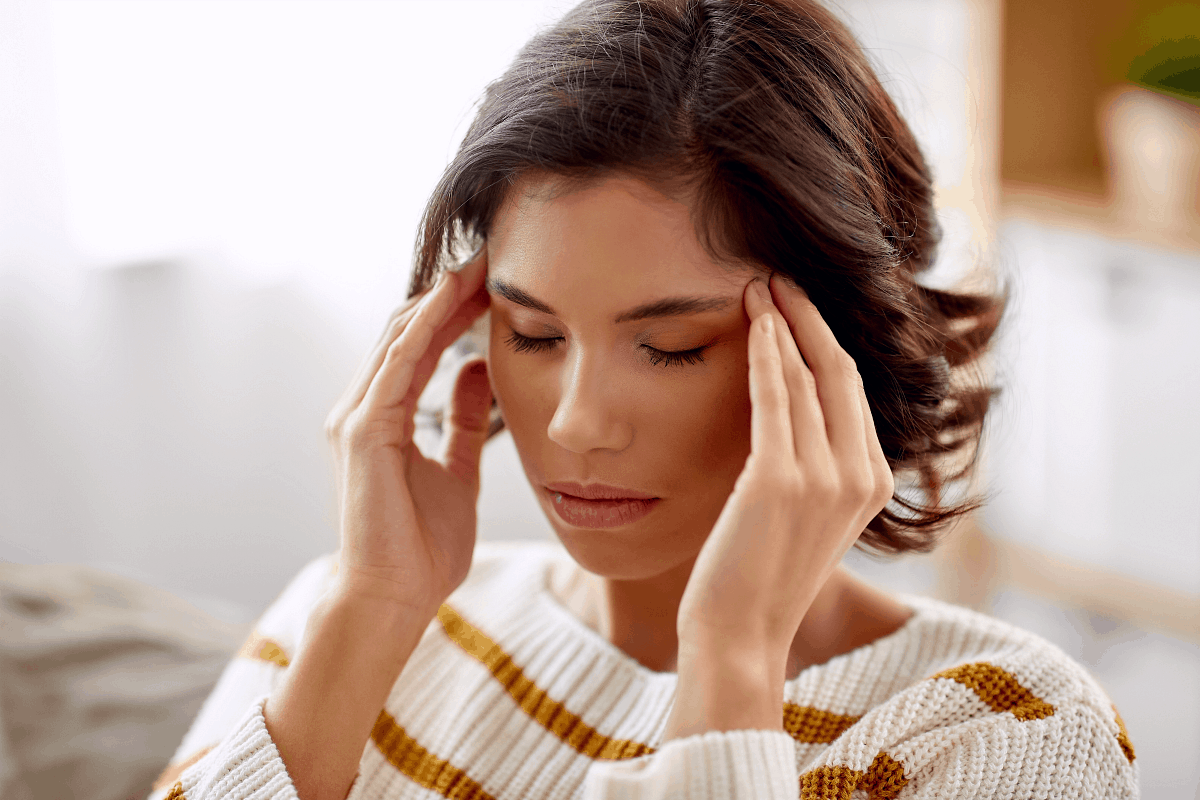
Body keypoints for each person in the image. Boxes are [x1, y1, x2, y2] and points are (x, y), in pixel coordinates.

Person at [150, 1, 1139, 798]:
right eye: (532, 332)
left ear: (841, 345)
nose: (576, 421)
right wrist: (372, 611)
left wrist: (733, 661)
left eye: (671, 346)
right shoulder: (348, 611)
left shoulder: (1004, 725)